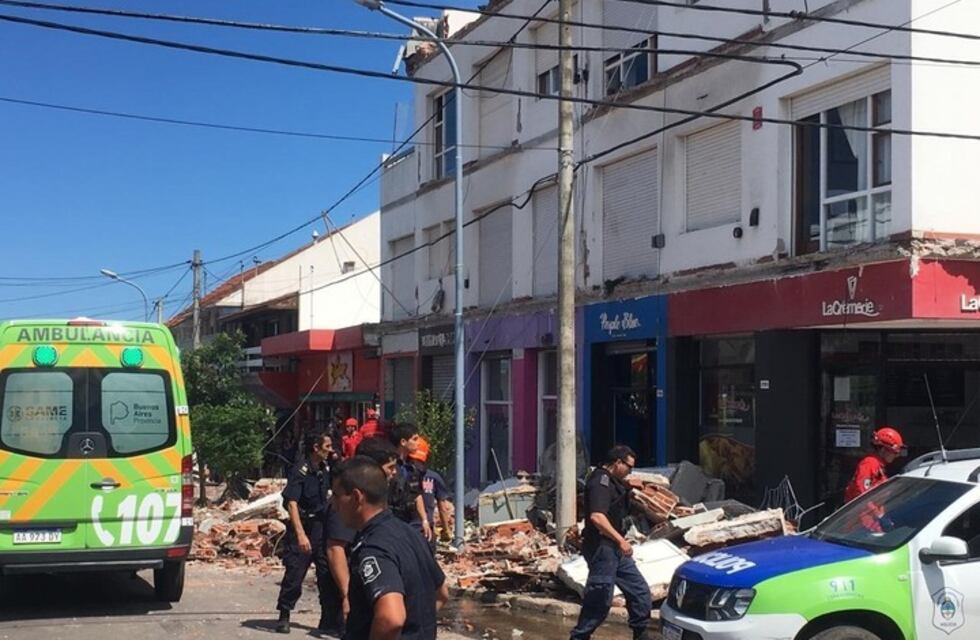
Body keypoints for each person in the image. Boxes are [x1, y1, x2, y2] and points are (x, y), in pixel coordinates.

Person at [332, 456, 449, 640]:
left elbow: (391, 618)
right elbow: (441, 592)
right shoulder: (410, 534)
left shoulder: (374, 548)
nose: (334, 505)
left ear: (356, 497)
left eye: (337, 497)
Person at [569, 445, 653, 640]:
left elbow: (621, 507)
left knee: (639, 591)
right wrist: (620, 540)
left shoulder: (616, 483)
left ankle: (641, 634)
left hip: (614, 549)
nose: (630, 471)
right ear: (617, 462)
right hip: (602, 548)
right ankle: (579, 637)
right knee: (600, 598)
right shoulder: (600, 481)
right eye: (629, 467)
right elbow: (597, 517)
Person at [275, 430, 344, 635]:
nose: (330, 450)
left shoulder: (325, 469)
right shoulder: (301, 470)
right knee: (295, 574)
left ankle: (329, 619)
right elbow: (292, 504)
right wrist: (300, 535)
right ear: (316, 448)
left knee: (327, 574)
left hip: (321, 528)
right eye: (327, 447)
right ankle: (284, 614)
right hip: (303, 527)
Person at [388, 423, 432, 543]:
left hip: (409, 519)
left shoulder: (413, 466)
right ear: (403, 442)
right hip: (392, 518)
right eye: (414, 439)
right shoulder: (389, 465)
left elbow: (417, 494)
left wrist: (424, 520)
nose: (418, 443)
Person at [408, 439, 453, 550]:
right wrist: (446, 529)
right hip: (425, 529)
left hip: (405, 528)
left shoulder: (402, 475)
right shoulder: (433, 477)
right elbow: (442, 507)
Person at [844, 427, 906, 503]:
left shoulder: (878, 465)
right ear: (883, 450)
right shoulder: (870, 463)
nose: (897, 456)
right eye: (895, 452)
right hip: (863, 513)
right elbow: (863, 493)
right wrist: (876, 513)